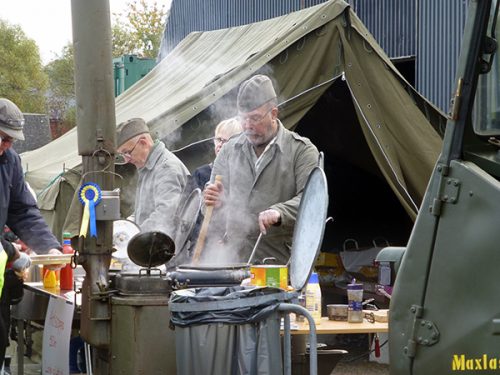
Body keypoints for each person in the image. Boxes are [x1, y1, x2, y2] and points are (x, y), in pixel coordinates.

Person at [203, 75, 319, 264]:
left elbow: (312, 200)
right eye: (243, 119)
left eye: (255, 118)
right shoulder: (229, 150)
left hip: (281, 264)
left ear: (274, 113)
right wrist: (213, 201)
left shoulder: (301, 150)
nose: (248, 126)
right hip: (233, 263)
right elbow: (208, 208)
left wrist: (280, 212)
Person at [0, 98, 62, 367]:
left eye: (11, 140)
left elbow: (23, 210)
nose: (7, 146)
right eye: (3, 138)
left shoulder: (9, 161)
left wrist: (49, 247)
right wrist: (11, 250)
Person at [116, 118, 191, 237]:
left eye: (127, 152)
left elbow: (165, 215)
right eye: (122, 155)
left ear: (143, 143)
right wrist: (127, 225)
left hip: (168, 248)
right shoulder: (148, 167)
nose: (126, 159)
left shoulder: (166, 169)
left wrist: (134, 236)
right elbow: (143, 211)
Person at [192, 117, 242, 190]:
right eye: (218, 139)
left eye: (225, 141)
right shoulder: (200, 174)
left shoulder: (246, 172)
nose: (220, 144)